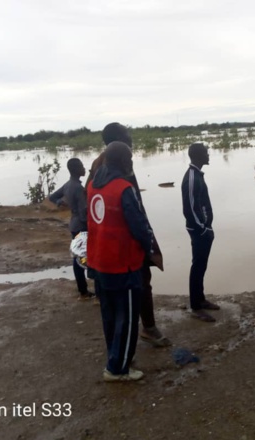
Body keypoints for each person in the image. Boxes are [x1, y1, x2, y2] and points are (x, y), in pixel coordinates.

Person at [87, 123, 171, 347]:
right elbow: (99, 202)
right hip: (121, 236)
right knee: (134, 285)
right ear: (116, 139)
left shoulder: (120, 159)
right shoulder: (111, 162)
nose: (131, 138)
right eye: (127, 135)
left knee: (142, 281)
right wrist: (144, 238)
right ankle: (138, 336)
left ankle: (145, 328)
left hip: (125, 231)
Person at [87, 141, 152, 381]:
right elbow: (139, 226)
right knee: (127, 317)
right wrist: (149, 248)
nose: (131, 162)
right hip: (122, 263)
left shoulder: (93, 185)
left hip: (98, 262)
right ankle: (117, 369)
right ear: (124, 161)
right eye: (130, 158)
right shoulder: (124, 188)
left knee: (110, 315)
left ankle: (116, 356)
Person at [181, 143, 220, 322]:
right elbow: (189, 208)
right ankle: (196, 306)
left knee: (201, 265)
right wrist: (203, 229)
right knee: (197, 266)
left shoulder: (197, 175)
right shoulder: (191, 178)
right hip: (198, 230)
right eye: (206, 153)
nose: (208, 155)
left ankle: (201, 299)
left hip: (203, 228)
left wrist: (207, 226)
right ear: (198, 156)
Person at [48, 158, 94, 299]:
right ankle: (87, 292)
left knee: (78, 258)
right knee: (85, 258)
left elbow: (52, 197)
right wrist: (91, 228)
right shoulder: (78, 188)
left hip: (73, 225)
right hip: (82, 227)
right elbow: (83, 213)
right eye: (81, 166)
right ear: (75, 169)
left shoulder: (68, 185)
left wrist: (60, 202)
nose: (84, 168)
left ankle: (83, 291)